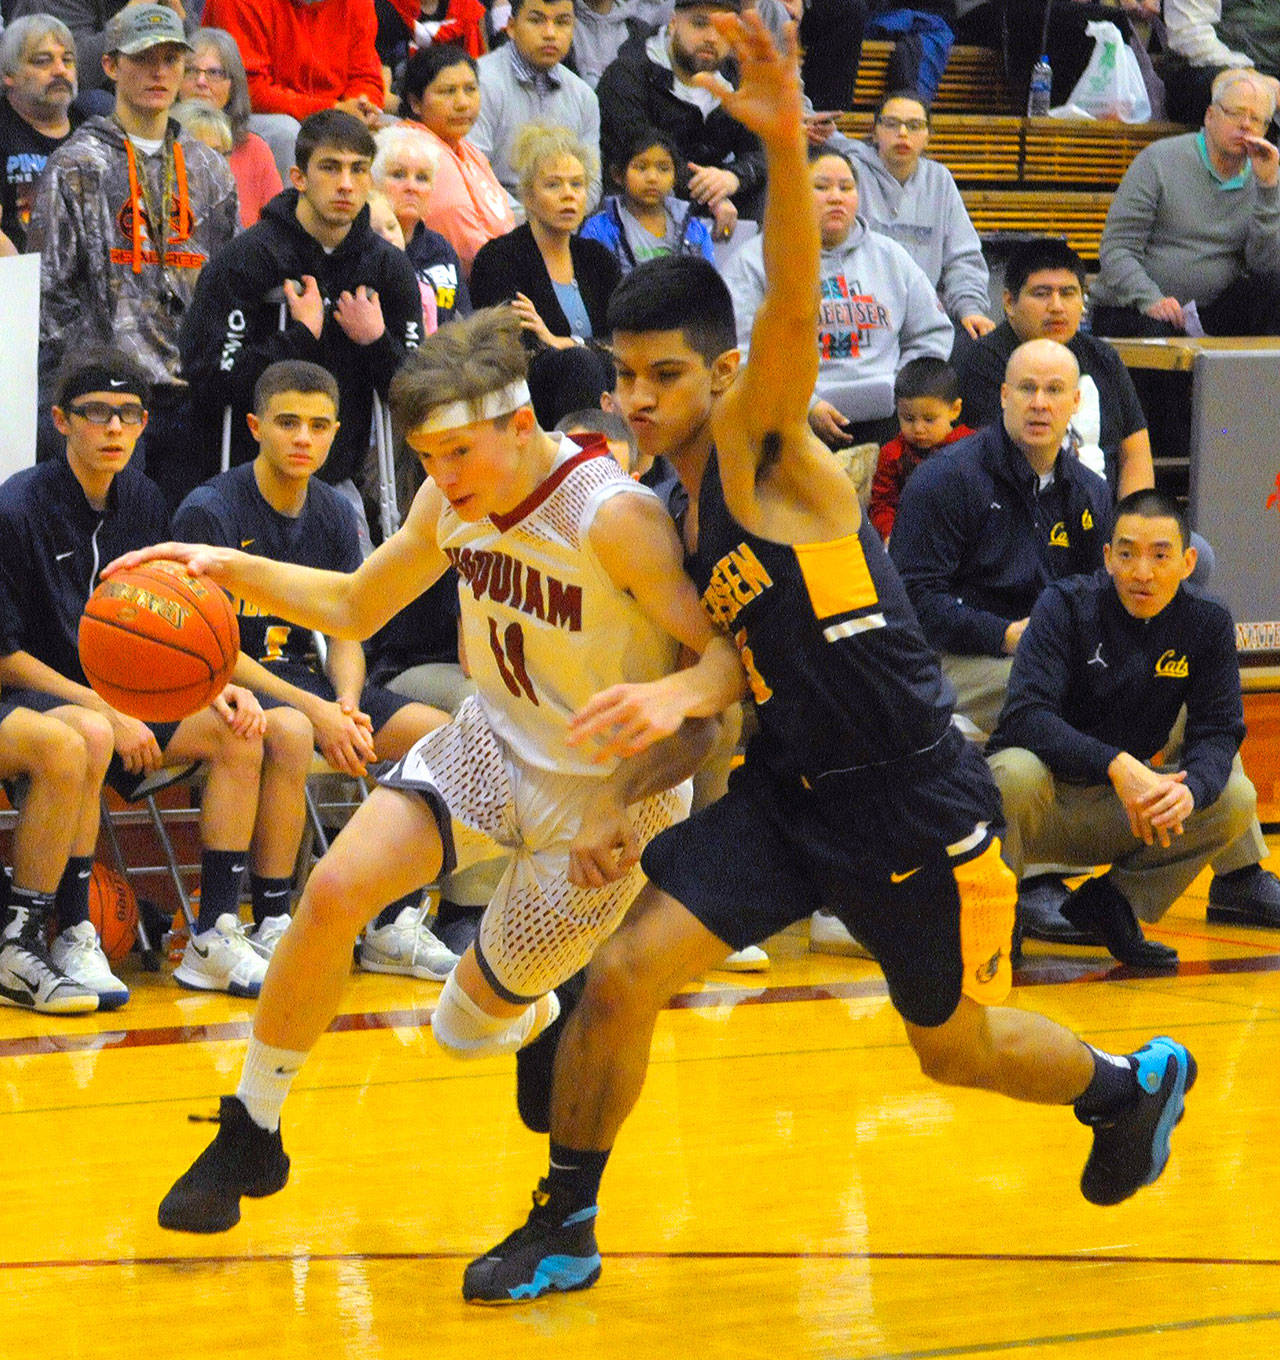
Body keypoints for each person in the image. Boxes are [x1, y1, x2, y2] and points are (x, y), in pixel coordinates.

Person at [462, 14, 1196, 1305]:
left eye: (666, 376)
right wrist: (629, 801)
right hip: (791, 795)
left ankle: (1126, 1087)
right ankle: (566, 1219)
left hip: (914, 794)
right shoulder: (670, 505)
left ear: (726, 370)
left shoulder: (764, 450)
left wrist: (789, 149)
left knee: (952, 1051)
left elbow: (794, 296)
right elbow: (726, 686)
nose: (638, 400)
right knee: (625, 970)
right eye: (625, 376)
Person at [122, 302, 744, 1234]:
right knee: (332, 894)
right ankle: (252, 1126)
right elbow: (355, 604)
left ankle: (540, 1011)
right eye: (424, 458)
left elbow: (723, 686)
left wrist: (627, 790)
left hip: (608, 796)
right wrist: (221, 566)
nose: (439, 478)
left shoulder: (615, 520)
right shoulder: (444, 500)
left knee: (461, 1034)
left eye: (458, 455)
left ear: (519, 425)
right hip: (491, 740)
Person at [893, 338, 1280, 932]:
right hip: (956, 656)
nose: (1039, 403)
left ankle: (1235, 870)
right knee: (1039, 703)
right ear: (1001, 397)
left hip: (1053, 649)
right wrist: (1006, 634)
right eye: (1026, 389)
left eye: (1054, 391)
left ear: (1076, 402)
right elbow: (914, 603)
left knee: (1176, 700)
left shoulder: (1087, 490)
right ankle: (1038, 875)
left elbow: (1101, 597)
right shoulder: (946, 481)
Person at [0, 349, 315, 997]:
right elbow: (6, 654)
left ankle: (215, 932)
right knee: (87, 732)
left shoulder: (144, 501)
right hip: (35, 695)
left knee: (240, 729)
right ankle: (67, 934)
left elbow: (171, 621)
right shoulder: (19, 507)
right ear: (61, 421)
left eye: (128, 415)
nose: (113, 428)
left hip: (121, 697)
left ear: (145, 425)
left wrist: (211, 683)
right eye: (96, 414)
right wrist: (109, 709)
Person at [171, 359, 457, 974]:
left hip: (315, 684)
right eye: (289, 423)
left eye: (320, 426)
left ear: (336, 432)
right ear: (255, 426)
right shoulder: (210, 509)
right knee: (296, 730)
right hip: (233, 682)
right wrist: (318, 710)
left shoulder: (331, 510)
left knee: (438, 733)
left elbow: (348, 624)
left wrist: (347, 704)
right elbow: (213, 648)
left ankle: (391, 918)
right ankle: (272, 919)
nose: (304, 438)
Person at [986, 488, 1269, 968]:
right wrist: (1116, 763)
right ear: (1107, 557)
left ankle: (1112, 906)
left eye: (1160, 556)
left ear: (1187, 561)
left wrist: (1190, 791)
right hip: (1042, 810)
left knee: (1232, 796)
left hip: (1125, 812)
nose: (1142, 572)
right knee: (1012, 771)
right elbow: (1025, 717)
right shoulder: (1064, 605)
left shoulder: (1208, 623)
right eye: (1127, 554)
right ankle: (993, 922)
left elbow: (1219, 730)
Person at [27, 4, 239, 502]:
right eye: (144, 58)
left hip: (191, 398)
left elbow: (229, 279)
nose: (159, 71)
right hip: (107, 404)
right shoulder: (77, 164)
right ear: (111, 65)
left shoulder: (211, 169)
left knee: (184, 549)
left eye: (171, 58)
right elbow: (48, 294)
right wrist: (84, 390)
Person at [180, 110, 424, 519]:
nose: (345, 184)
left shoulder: (388, 268)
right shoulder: (248, 259)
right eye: (330, 168)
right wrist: (298, 338)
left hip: (342, 482)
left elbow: (416, 395)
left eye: (358, 170)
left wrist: (377, 342)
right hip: (248, 476)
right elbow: (211, 382)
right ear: (298, 177)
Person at [724, 143, 953, 450]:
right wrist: (806, 406)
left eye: (846, 187)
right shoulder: (754, 261)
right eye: (821, 187)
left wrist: (904, 392)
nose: (836, 196)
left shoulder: (892, 257)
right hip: (789, 423)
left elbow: (932, 333)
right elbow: (740, 353)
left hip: (888, 421)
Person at [952, 237, 1154, 499]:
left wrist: (1132, 524)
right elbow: (994, 464)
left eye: (1068, 293)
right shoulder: (984, 362)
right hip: (1026, 514)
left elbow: (1135, 454)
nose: (1057, 307)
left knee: (1197, 542)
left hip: (1107, 520)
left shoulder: (1103, 357)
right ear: (1009, 302)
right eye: (1042, 293)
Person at [1090, 68, 1280, 339]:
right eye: (1235, 113)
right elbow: (1117, 248)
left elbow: (1265, 267)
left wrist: (1269, 190)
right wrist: (1150, 299)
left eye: (1256, 119)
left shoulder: (1267, 176)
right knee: (1156, 333)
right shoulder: (1159, 160)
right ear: (1210, 116)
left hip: (1213, 313)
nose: (1245, 125)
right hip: (1134, 308)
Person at [834, 89, 991, 340]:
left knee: (973, 342)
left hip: (921, 318)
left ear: (928, 136)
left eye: (915, 125)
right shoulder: (851, 173)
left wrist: (970, 307)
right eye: (892, 124)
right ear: (874, 132)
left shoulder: (939, 180)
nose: (903, 133)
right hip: (857, 314)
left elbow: (963, 258)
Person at [597, 0, 766, 229]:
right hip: (637, 207)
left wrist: (732, 178)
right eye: (700, 24)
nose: (712, 38)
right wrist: (712, 194)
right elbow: (643, 157)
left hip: (717, 207)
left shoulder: (737, 80)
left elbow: (763, 151)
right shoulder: (627, 75)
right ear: (673, 23)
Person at [470, 124, 620, 352]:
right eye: (553, 185)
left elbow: (623, 339)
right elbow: (516, 345)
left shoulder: (598, 257)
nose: (568, 194)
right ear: (528, 197)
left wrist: (566, 343)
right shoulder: (499, 259)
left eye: (577, 184)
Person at [203, 0, 385, 183]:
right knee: (286, 132)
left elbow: (366, 75)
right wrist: (333, 110)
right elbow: (248, 89)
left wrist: (362, 104)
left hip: (332, 113)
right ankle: (287, 211)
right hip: (243, 112)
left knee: (397, 137)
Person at [471, 0, 602, 217]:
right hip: (494, 222)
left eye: (562, 22)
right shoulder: (479, 83)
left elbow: (592, 182)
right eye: (536, 20)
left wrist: (560, 218)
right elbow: (473, 174)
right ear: (511, 27)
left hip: (563, 225)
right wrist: (535, 223)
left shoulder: (584, 96)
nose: (550, 33)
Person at [401, 44, 516, 274]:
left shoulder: (468, 151)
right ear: (415, 102)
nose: (463, 103)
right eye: (447, 91)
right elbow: (465, 246)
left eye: (470, 89)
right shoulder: (413, 152)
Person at [178, 28, 283, 229]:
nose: (201, 81)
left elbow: (277, 233)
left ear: (233, 84)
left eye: (214, 73)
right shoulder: (156, 142)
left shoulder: (255, 150)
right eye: (191, 70)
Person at [580, 124, 716, 274]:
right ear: (618, 175)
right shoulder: (599, 229)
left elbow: (708, 286)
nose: (652, 178)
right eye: (641, 167)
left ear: (675, 178)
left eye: (664, 169)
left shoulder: (694, 229)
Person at [372, 122, 471, 325]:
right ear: (373, 182)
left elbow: (466, 324)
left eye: (422, 178)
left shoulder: (441, 249)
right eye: (398, 175)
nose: (412, 187)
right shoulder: (364, 248)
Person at [0, 15, 81, 254]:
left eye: (67, 60)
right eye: (42, 61)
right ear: (9, 74)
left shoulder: (94, 130)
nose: (60, 70)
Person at [868, 355, 971, 542]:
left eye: (929, 419)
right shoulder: (893, 454)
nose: (918, 429)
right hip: (910, 536)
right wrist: (890, 534)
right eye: (908, 418)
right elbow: (882, 504)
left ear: (955, 410)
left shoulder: (971, 447)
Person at [1163, 0, 1280, 125]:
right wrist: (1250, 75)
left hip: (1271, 69)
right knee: (1243, 91)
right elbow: (1189, 33)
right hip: (1207, 67)